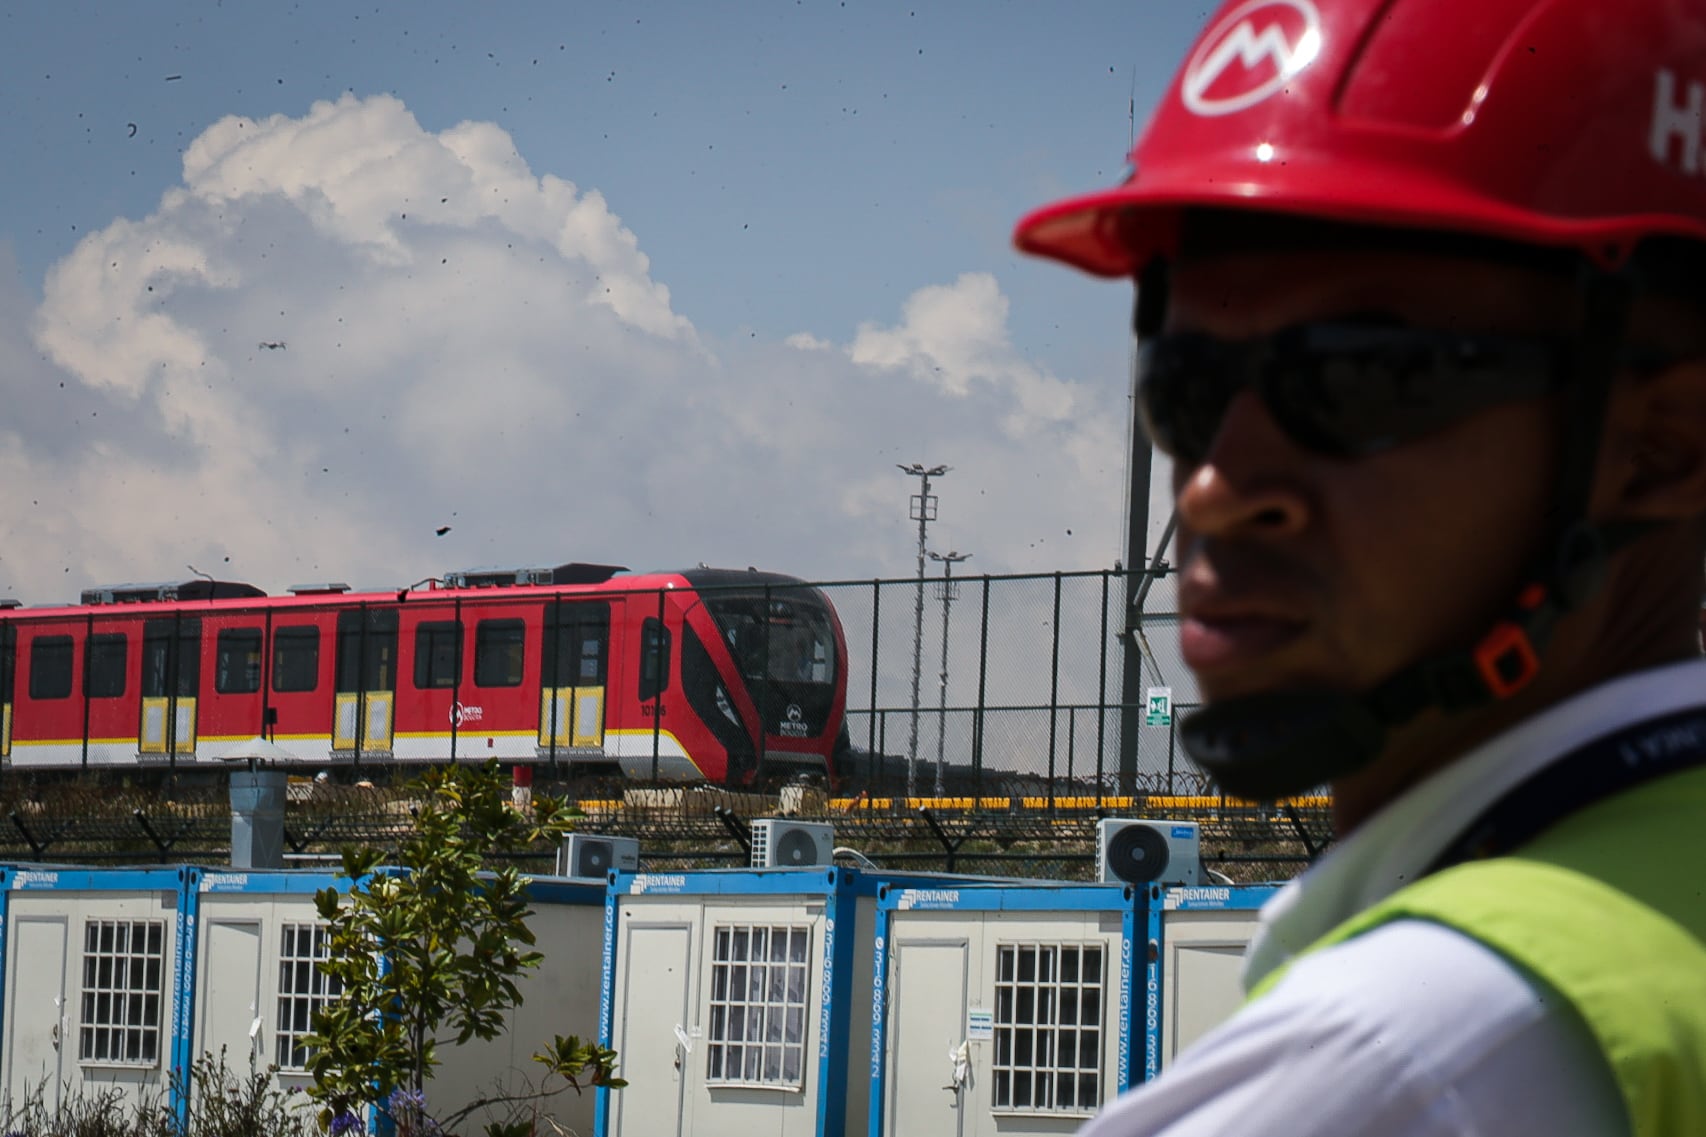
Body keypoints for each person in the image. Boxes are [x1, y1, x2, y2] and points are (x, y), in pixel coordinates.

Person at [1013, 1, 1706, 1134]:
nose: (1215, 485)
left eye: (1357, 381)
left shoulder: (1412, 1053)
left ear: (1662, 447)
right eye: (1184, 390)